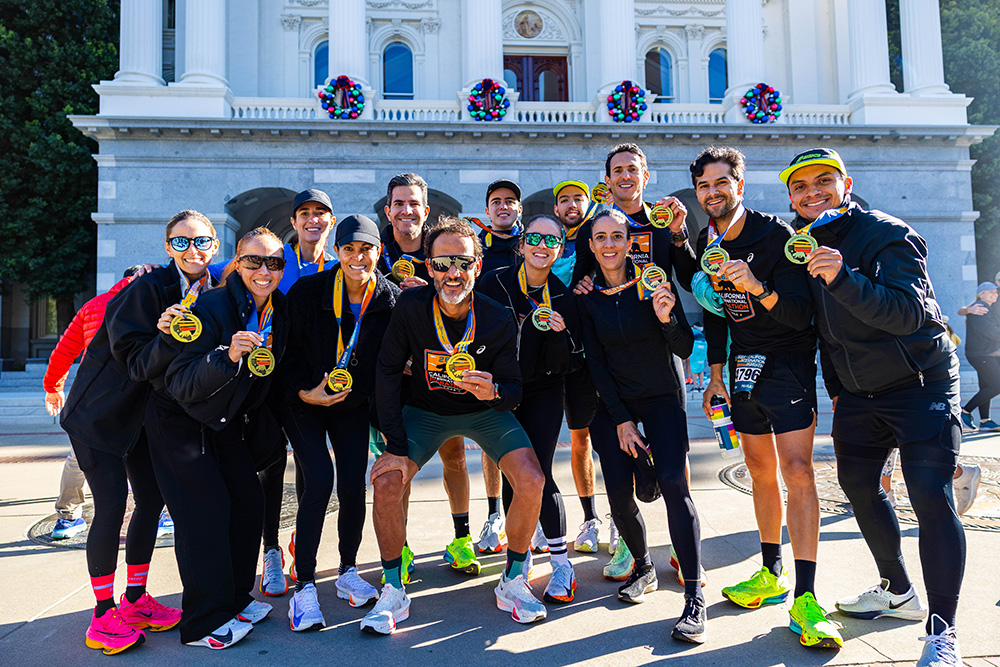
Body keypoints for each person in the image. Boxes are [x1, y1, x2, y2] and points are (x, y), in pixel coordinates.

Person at [781, 148, 965, 666]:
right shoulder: (804, 244)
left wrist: (843, 278)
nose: (812, 192)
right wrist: (837, 387)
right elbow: (824, 327)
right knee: (859, 488)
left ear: (846, 183)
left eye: (824, 181)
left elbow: (908, 313)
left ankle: (942, 632)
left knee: (930, 496)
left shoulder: (886, 232)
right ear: (791, 197)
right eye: (801, 187)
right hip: (859, 393)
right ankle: (899, 590)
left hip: (920, 382)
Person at [690, 146, 841, 649]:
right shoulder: (706, 239)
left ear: (739, 183)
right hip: (742, 370)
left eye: (721, 183)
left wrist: (757, 285)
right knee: (758, 471)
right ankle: (771, 573)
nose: (713, 193)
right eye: (704, 186)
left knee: (797, 472)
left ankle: (807, 595)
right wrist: (715, 374)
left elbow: (801, 316)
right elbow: (715, 313)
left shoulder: (778, 236)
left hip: (789, 366)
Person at [365, 217, 546, 633]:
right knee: (388, 481)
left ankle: (513, 579)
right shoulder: (410, 308)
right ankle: (393, 588)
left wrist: (495, 393)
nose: (453, 274)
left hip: (483, 412)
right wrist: (394, 442)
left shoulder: (497, 317)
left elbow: (515, 388)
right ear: (428, 267)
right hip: (425, 413)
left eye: (463, 263)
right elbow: (387, 372)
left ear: (477, 266)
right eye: (443, 263)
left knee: (532, 479)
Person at [59, 214, 219, 654]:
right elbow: (135, 365)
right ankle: (102, 613)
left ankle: (135, 599)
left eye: (202, 240)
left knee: (151, 501)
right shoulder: (143, 289)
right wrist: (168, 335)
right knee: (111, 506)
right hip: (98, 417)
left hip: (139, 420)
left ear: (215, 245)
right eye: (181, 241)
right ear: (167, 247)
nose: (193, 248)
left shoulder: (209, 288)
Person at [577, 208, 706, 644]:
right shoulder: (587, 296)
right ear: (591, 245)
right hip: (614, 407)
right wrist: (621, 420)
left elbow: (686, 346)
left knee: (672, 483)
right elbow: (595, 363)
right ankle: (644, 566)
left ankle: (692, 597)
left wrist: (668, 317)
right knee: (619, 495)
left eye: (618, 236)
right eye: (601, 237)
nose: (610, 244)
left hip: (661, 399)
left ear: (630, 242)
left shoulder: (653, 283)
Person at [159, 227, 289, 649]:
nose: (264, 270)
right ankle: (201, 622)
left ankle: (233, 599)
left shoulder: (279, 310)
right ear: (236, 262)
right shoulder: (211, 306)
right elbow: (179, 381)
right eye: (254, 260)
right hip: (180, 421)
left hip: (225, 422)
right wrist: (226, 355)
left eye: (274, 262)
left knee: (249, 505)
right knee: (205, 518)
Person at [209, 189, 336, 598]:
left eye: (321, 213)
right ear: (295, 221)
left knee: (308, 470)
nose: (267, 270)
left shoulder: (338, 265)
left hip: (303, 387)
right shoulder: (271, 258)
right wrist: (148, 272)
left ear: (330, 221)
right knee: (269, 471)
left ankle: (300, 542)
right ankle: (270, 551)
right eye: (305, 214)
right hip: (256, 390)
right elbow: (203, 270)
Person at [278, 215, 400, 630]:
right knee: (319, 481)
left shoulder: (389, 298)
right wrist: (305, 390)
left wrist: (384, 419)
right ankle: (305, 586)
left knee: (352, 485)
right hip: (305, 402)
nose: (357, 257)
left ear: (378, 252)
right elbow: (284, 352)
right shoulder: (308, 291)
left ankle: (348, 569)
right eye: (348, 249)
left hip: (350, 403)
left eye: (366, 248)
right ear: (337, 252)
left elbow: (389, 364)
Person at [478, 214, 584, 604]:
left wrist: (558, 336)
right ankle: (518, 559)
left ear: (559, 250)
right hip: (502, 391)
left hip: (543, 391)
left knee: (538, 472)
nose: (542, 246)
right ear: (522, 244)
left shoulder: (563, 295)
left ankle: (561, 563)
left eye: (551, 241)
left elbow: (570, 363)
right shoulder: (495, 282)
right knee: (512, 475)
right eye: (535, 238)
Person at [377, 173, 478, 578]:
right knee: (397, 459)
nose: (406, 211)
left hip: (443, 366)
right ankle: (398, 548)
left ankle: (461, 539)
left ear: (425, 209)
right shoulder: (375, 249)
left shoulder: (441, 249)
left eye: (414, 203)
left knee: (453, 454)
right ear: (389, 210)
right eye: (399, 203)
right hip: (395, 375)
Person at [44, 266, 139, 540]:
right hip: (136, 394)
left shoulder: (93, 306)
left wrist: (53, 387)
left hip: (93, 396)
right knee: (154, 456)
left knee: (79, 457)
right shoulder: (147, 303)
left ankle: (67, 517)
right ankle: (165, 515)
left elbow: (64, 350)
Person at [467, 179, 525, 553]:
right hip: (490, 354)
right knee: (492, 442)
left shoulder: (531, 243)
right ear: (487, 209)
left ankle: (527, 513)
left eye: (510, 201)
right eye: (496, 201)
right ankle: (494, 514)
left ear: (519, 209)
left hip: (532, 354)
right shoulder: (477, 247)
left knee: (532, 439)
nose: (503, 206)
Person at [550, 180, 605, 553]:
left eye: (578, 198)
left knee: (605, 438)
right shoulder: (547, 244)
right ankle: (584, 518)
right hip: (555, 358)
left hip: (594, 356)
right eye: (564, 200)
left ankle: (609, 519)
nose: (571, 205)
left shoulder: (598, 239)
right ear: (557, 209)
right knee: (574, 439)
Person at [960, 282, 1000, 432]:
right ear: (981, 294)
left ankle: (985, 421)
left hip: (984, 353)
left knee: (987, 386)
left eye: (996, 292)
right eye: (991, 292)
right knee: (997, 384)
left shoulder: (984, 306)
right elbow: (989, 331)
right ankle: (965, 411)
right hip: (982, 354)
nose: (994, 294)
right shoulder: (981, 307)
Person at [689, 324, 707, 391]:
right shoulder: (700, 333)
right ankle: (701, 385)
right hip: (704, 345)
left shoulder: (691, 330)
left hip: (696, 345)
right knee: (700, 366)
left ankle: (695, 386)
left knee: (694, 367)